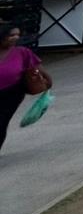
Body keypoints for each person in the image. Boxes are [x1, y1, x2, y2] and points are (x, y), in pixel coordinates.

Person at [0, 22, 49, 154]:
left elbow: (38, 67)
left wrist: (47, 82)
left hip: (13, 92)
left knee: (1, 121)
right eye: (11, 35)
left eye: (18, 35)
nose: (15, 37)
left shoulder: (22, 52)